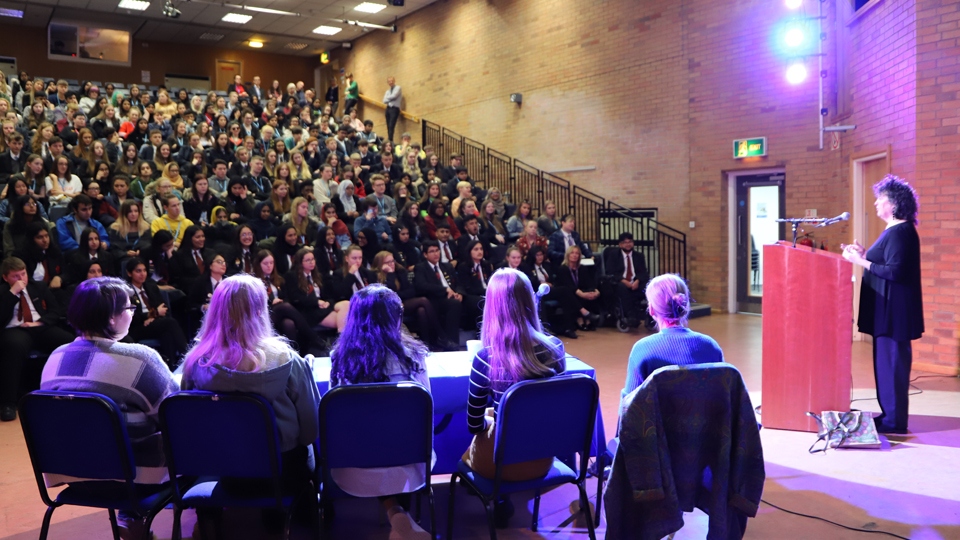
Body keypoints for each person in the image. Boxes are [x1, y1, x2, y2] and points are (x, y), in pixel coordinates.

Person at [180, 274, 321, 536]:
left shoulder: (195, 363)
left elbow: (189, 429)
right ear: (259, 310)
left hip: (224, 472)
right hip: (283, 471)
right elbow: (310, 431)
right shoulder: (287, 360)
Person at [38, 276, 178, 539]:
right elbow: (174, 416)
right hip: (131, 480)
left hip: (71, 472)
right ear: (111, 318)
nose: (132, 313)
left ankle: (131, 516)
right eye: (129, 308)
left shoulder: (54, 357)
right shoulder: (139, 359)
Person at [328, 284, 433, 540]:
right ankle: (400, 516)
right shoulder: (414, 357)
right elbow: (425, 415)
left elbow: (336, 424)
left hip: (353, 465)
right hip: (410, 461)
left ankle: (397, 516)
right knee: (394, 442)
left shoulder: (339, 359)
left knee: (373, 440)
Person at [463, 268, 566, 526]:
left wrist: (489, 420)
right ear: (529, 300)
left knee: (470, 448)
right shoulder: (555, 348)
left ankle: (496, 500)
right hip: (544, 458)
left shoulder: (485, 357)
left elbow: (473, 425)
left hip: (501, 465)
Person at [842, 175, 924, 434]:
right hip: (886, 311)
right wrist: (865, 254)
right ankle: (889, 416)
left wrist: (861, 262)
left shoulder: (901, 231)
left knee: (892, 366)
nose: (876, 203)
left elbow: (895, 272)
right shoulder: (895, 230)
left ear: (895, 203)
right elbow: (886, 262)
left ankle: (894, 421)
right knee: (886, 367)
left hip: (894, 313)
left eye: (881, 199)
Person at [621, 273, 724, 398]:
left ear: (651, 309)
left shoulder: (642, 350)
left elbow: (629, 406)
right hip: (706, 418)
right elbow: (723, 396)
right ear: (686, 306)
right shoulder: (710, 346)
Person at [0, 257, 75, 422]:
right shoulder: (3, 292)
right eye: (15, 276)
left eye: (23, 274)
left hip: (39, 325)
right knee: (12, 347)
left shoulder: (39, 287)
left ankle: (73, 390)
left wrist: (39, 322)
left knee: (69, 342)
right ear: (5, 278)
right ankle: (8, 403)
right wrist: (12, 293)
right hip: (14, 329)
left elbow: (56, 311)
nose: (21, 279)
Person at [124, 258, 188, 369]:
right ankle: (187, 357)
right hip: (137, 327)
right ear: (129, 273)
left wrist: (153, 317)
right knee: (170, 323)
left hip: (154, 324)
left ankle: (171, 366)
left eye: (144, 270)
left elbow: (163, 308)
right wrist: (152, 314)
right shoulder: (126, 291)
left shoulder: (150, 286)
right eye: (138, 271)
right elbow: (132, 316)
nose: (142, 274)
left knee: (166, 334)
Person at [283, 247, 349, 332]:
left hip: (322, 306)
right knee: (343, 321)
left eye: (313, 259)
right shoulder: (292, 276)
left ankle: (341, 340)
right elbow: (296, 298)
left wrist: (328, 302)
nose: (311, 262)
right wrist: (316, 302)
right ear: (300, 263)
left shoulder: (317, 275)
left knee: (346, 304)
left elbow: (327, 295)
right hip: (308, 310)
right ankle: (342, 341)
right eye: (307, 260)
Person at [414, 240, 463, 346]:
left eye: (437, 250)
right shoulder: (421, 268)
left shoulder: (447, 266)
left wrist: (459, 293)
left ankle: (454, 342)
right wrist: (444, 289)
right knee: (454, 304)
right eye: (432, 251)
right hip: (434, 299)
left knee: (459, 302)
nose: (436, 253)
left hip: (450, 297)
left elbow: (458, 283)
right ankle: (449, 341)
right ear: (425, 255)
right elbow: (421, 285)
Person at [602, 232, 650, 327]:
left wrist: (637, 280)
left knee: (649, 285)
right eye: (625, 242)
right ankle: (631, 315)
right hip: (620, 283)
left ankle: (650, 315)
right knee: (621, 288)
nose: (628, 244)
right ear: (620, 244)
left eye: (630, 242)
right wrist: (624, 281)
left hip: (635, 282)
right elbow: (610, 272)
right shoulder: (614, 255)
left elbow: (643, 272)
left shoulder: (639, 256)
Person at [555, 245, 601, 330]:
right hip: (568, 293)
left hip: (580, 291)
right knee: (573, 294)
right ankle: (581, 318)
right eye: (572, 253)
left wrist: (595, 291)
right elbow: (568, 285)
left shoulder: (582, 268)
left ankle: (586, 319)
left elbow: (589, 282)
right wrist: (583, 294)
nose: (575, 255)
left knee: (590, 291)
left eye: (577, 253)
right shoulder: (562, 269)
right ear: (568, 255)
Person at [383, 77, 402, 143]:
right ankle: (389, 139)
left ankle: (390, 140)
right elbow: (384, 100)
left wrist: (388, 98)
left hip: (394, 108)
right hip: (388, 108)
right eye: (389, 81)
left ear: (394, 81)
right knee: (388, 125)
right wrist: (390, 98)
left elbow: (394, 96)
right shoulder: (387, 91)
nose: (390, 82)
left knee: (391, 125)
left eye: (391, 81)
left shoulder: (398, 88)